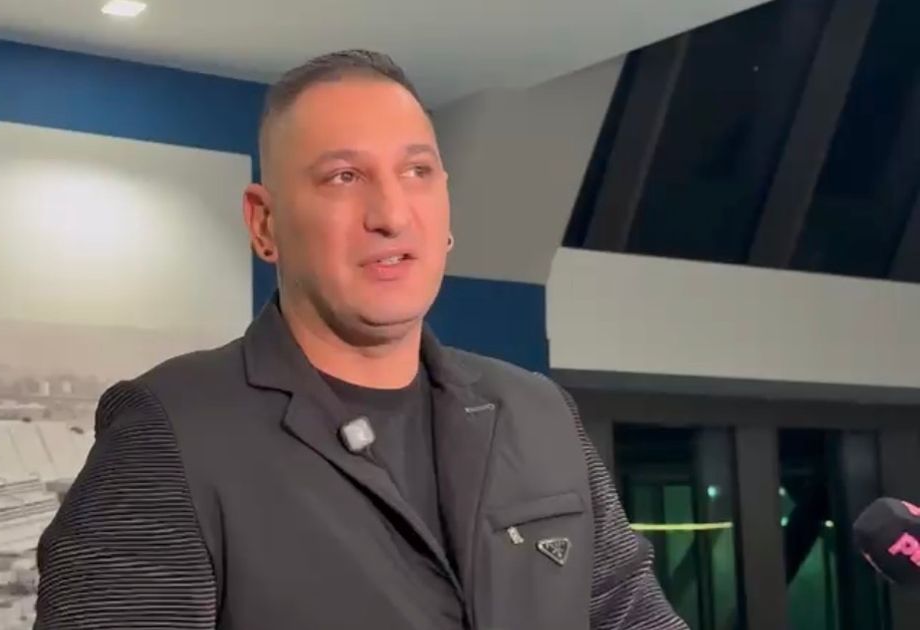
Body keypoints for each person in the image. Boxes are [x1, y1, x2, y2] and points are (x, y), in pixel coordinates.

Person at [35, 50, 687, 630]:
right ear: (264, 225)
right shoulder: (173, 431)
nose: (392, 214)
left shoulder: (538, 413)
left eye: (417, 171)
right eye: (344, 177)